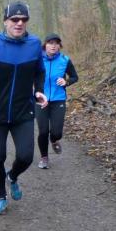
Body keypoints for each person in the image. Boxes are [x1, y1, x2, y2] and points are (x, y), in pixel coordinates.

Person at [0, 2, 48, 215]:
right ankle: (1, 196)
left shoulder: (34, 44)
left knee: (26, 156)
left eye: (24, 19)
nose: (19, 23)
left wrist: (39, 90)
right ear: (5, 21)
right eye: (14, 19)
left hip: (24, 111)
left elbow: (39, 71)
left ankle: (11, 177)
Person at [36, 33, 79, 169]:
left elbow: (75, 77)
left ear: (59, 45)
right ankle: (44, 157)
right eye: (50, 43)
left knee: (56, 132)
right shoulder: (37, 60)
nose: (53, 46)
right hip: (40, 100)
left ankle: (54, 140)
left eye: (56, 43)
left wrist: (66, 81)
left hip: (58, 99)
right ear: (45, 45)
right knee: (43, 131)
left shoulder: (65, 60)